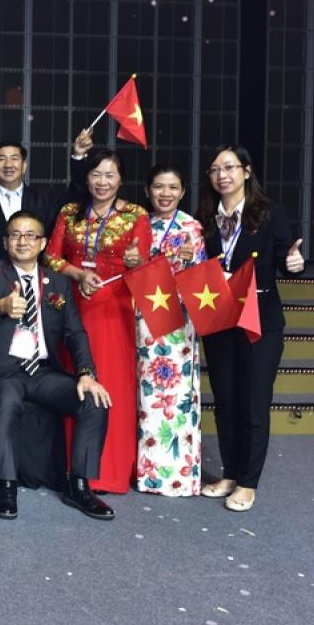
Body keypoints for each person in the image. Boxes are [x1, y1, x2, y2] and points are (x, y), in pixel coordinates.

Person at [0, 210, 114, 521]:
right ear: (6, 242)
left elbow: (75, 332)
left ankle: (79, 486)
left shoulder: (58, 282)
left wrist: (87, 373)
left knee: (93, 400)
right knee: (7, 403)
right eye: (15, 235)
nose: (22, 241)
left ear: (43, 243)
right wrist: (2, 305)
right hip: (3, 371)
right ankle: (6, 485)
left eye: (30, 235)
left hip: (43, 372)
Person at [195, 145, 305, 512]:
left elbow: (287, 257)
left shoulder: (270, 213)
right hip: (220, 319)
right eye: (214, 169)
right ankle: (230, 473)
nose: (222, 175)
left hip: (259, 321)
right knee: (225, 400)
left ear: (246, 171)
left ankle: (247, 482)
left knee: (254, 401)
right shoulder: (205, 217)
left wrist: (295, 263)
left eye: (229, 167)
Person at [44, 146, 151, 494]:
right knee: (74, 381)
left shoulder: (136, 215)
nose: (102, 182)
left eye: (109, 175)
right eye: (95, 174)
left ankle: (108, 471)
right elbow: (50, 257)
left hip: (116, 310)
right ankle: (72, 468)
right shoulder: (69, 213)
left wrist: (136, 260)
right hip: (74, 306)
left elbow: (145, 263)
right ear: (86, 178)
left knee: (112, 384)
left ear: (121, 179)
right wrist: (77, 274)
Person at [134, 163, 207, 497]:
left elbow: (203, 281)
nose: (166, 194)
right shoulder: (139, 224)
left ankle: (178, 476)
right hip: (142, 319)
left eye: (173, 187)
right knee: (147, 394)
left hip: (177, 323)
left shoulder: (191, 227)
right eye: (159, 187)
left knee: (176, 396)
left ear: (183, 192)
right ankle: (146, 471)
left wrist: (191, 261)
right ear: (147, 191)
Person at [0, 140, 60, 264]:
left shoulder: (45, 198)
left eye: (14, 158)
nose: (8, 164)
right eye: (2, 159)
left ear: (24, 166)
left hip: (35, 271)